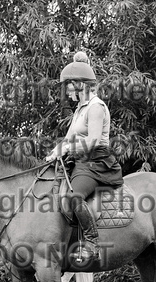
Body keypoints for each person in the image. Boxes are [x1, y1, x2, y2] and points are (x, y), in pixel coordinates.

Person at [46, 52, 123, 264]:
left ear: (80, 84)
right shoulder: (80, 109)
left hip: (96, 162)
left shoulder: (96, 107)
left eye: (69, 85)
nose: (66, 90)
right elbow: (68, 138)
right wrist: (54, 152)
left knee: (74, 197)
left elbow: (94, 140)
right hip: (80, 161)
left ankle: (92, 241)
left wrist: (68, 149)